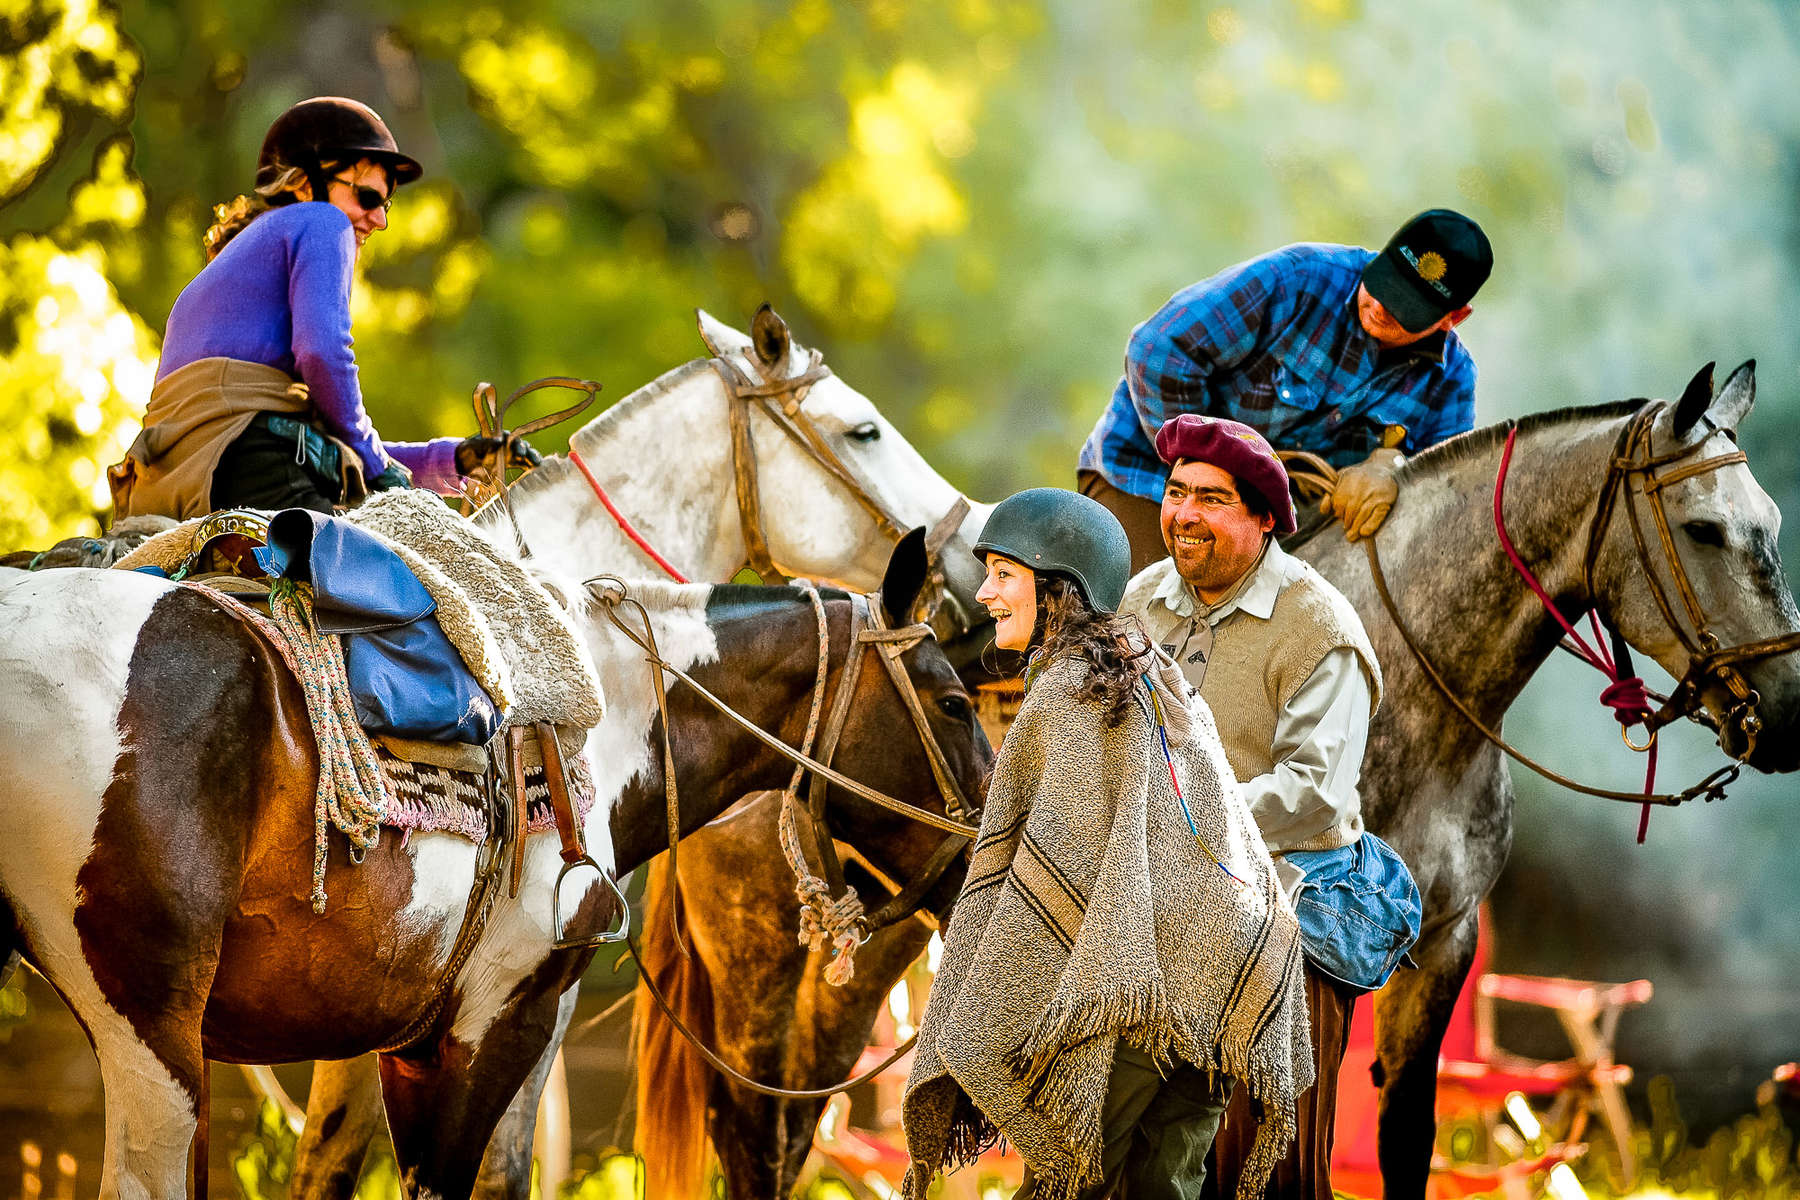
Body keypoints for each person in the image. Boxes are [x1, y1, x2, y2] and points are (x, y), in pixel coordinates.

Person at [902, 487, 1314, 1200]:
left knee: (1070, 1179)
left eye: (1005, 574)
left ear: (1058, 584)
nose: (988, 593)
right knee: (1167, 1188)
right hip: (1225, 968)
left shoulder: (1068, 691)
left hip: (1139, 977)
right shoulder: (1148, 666)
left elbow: (1063, 861)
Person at [1117, 414, 1420, 1200]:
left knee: (1265, 1171)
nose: (1183, 514)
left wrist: (1170, 818)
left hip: (1286, 910)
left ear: (1262, 518)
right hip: (1153, 904)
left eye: (1211, 500)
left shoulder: (1321, 628)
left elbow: (1313, 792)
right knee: (1136, 1160)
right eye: (1176, 492)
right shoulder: (1142, 600)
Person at [109, 96, 537, 520]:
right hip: (248, 460)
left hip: (167, 487)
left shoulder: (233, 265)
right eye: (367, 197)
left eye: (385, 205)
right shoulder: (321, 220)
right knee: (406, 578)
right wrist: (377, 466)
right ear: (302, 182)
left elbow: (338, 441)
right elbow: (323, 353)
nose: (380, 220)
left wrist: (453, 460)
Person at [1079, 209, 1493, 572]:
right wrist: (1215, 466)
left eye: (1406, 305)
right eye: (1384, 285)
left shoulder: (1451, 385)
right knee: (1133, 639)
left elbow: (1442, 496)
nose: (1382, 306)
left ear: (1454, 317)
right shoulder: (1299, 278)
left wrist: (1395, 468)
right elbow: (1158, 350)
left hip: (1276, 537)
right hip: (1145, 481)